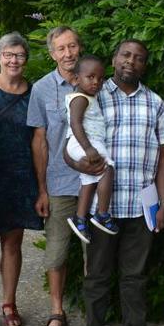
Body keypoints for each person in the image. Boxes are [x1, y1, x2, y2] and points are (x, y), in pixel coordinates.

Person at [65, 39, 164, 326]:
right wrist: (79, 166)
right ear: (114, 59)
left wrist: (163, 202)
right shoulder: (92, 97)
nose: (131, 61)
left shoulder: (155, 103)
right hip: (104, 210)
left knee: (135, 276)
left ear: (144, 65)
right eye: (125, 55)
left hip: (141, 207)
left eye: (139, 58)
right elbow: (68, 145)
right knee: (97, 275)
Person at [0, 32, 44, 326]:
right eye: (8, 54)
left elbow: (39, 140)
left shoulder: (35, 93)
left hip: (21, 176)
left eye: (19, 54)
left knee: (13, 245)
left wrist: (41, 186)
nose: (14, 60)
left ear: (26, 58)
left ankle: (9, 303)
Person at [27, 26, 82, 326]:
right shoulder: (42, 88)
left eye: (72, 46)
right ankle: (56, 312)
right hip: (59, 183)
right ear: (52, 54)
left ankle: (94, 312)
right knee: (57, 253)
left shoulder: (95, 81)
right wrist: (42, 189)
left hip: (92, 184)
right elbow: (40, 141)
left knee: (95, 253)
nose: (68, 53)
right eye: (61, 48)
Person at [65, 54, 117, 243]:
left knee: (89, 180)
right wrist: (88, 148)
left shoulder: (87, 97)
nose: (96, 82)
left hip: (85, 142)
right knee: (107, 169)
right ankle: (102, 213)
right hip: (84, 142)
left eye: (100, 78)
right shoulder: (80, 99)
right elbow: (75, 124)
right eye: (90, 77)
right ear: (77, 78)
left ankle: (80, 218)